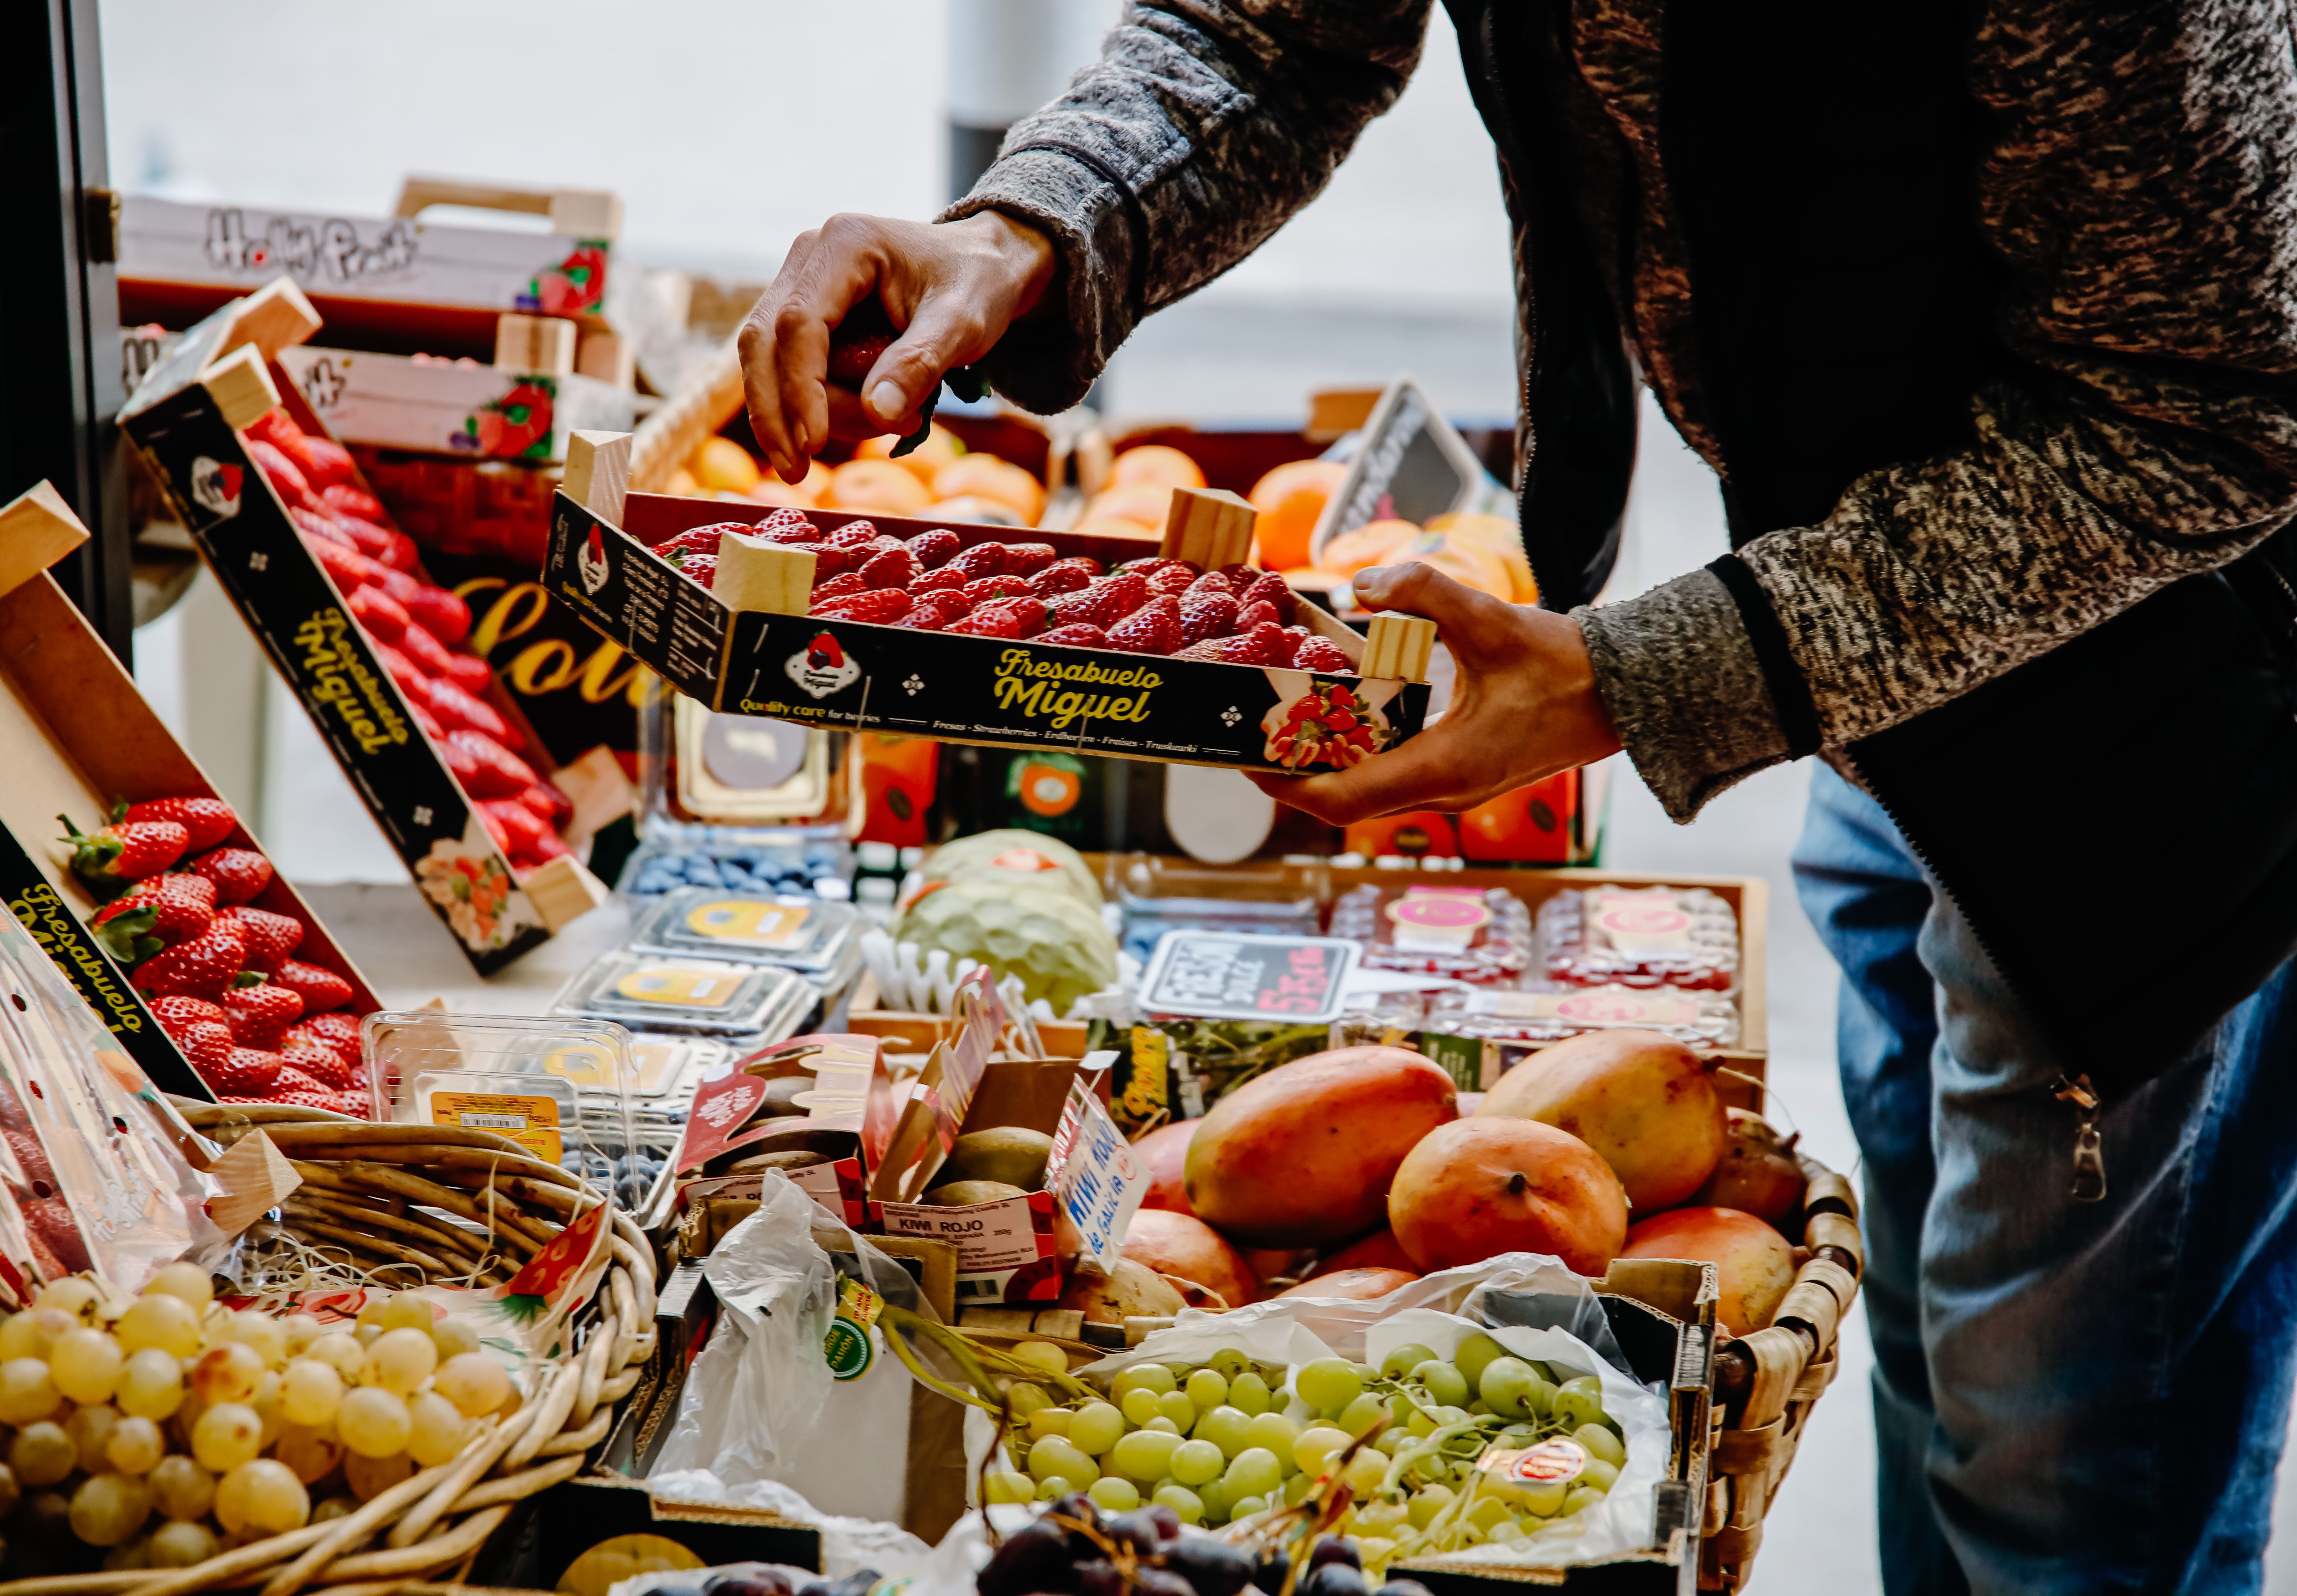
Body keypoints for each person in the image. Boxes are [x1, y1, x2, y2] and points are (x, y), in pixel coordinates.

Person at [740, 5, 2297, 1590]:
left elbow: (2213, 407)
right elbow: (1277, 32)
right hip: (1890, 681)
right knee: (1948, 1396)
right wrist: (1031, 227)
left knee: (2058, 1486)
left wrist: (1651, 674)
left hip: (2155, 732)